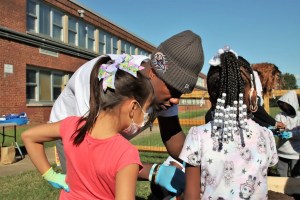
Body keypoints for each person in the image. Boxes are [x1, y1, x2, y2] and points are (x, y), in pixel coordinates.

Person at [49, 30, 205, 195]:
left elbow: (173, 137)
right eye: (173, 91)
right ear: (153, 72)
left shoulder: (165, 89)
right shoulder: (107, 81)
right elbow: (93, 154)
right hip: (78, 134)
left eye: (180, 94)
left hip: (106, 136)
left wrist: (205, 160)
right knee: (88, 188)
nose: (176, 100)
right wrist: (153, 172)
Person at [22, 54, 154, 199]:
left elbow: (28, 136)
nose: (146, 115)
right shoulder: (126, 154)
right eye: (146, 108)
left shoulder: (72, 125)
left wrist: (51, 175)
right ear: (133, 107)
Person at [179, 46, 278, 199]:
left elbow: (191, 196)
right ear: (252, 94)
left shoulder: (197, 136)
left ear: (212, 96)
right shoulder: (266, 136)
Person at [275, 90, 300, 177]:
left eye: (286, 105)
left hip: (296, 154)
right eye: (282, 105)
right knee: (281, 178)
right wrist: (279, 131)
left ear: (292, 104)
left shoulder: (299, 117)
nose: (284, 107)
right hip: (282, 153)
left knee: (296, 178)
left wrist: (291, 134)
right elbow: (278, 127)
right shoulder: (280, 116)